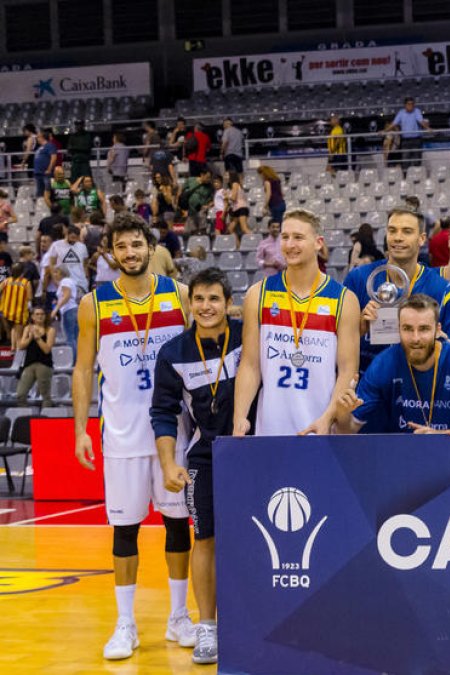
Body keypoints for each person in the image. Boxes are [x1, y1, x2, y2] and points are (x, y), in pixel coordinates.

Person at [71, 213, 195, 660]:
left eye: (137, 244)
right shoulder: (95, 304)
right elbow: (83, 369)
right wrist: (81, 429)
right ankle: (125, 623)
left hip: (174, 434)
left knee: (178, 524)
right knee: (124, 530)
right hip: (121, 434)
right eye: (121, 246)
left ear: (150, 246)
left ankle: (179, 616)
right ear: (110, 252)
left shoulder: (179, 296)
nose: (130, 253)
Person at [149, 267, 241, 665]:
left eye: (214, 299)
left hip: (252, 452)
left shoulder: (245, 338)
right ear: (190, 304)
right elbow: (163, 413)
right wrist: (168, 463)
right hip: (205, 455)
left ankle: (249, 620)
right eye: (199, 299)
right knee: (204, 538)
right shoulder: (173, 353)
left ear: (227, 303)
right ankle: (207, 626)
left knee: (255, 537)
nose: (206, 307)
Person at [232, 208, 360, 437]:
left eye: (299, 237)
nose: (290, 244)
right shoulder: (258, 294)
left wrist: (327, 417)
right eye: (285, 237)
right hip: (270, 429)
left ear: (318, 243)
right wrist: (239, 417)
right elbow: (250, 365)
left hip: (320, 427)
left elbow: (347, 371)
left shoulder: (344, 299)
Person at [334, 293, 450, 434]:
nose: (415, 338)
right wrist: (343, 414)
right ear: (398, 330)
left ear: (438, 331)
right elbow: (348, 429)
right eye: (407, 329)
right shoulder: (383, 365)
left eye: (424, 329)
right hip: (398, 454)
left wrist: (439, 436)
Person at [344, 207, 450, 373]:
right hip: (367, 386)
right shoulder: (358, 279)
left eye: (407, 231)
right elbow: (337, 343)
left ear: (421, 239)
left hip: (419, 389)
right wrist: (359, 329)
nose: (398, 238)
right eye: (392, 231)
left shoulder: (443, 289)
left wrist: (437, 342)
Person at [15, 305, 55, 407]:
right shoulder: (28, 328)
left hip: (44, 364)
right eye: (37, 314)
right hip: (29, 364)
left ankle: (46, 417)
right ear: (32, 317)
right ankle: (24, 416)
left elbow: (47, 350)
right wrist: (30, 337)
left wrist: (37, 338)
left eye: (42, 314)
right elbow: (21, 346)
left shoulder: (50, 330)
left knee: (45, 395)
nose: (40, 316)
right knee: (21, 393)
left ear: (45, 316)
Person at [384, 97, 431, 170]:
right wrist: (384, 131)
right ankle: (406, 177)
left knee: (417, 160)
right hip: (405, 140)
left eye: (412, 104)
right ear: (405, 105)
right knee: (405, 160)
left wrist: (427, 128)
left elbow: (421, 121)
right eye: (409, 104)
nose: (411, 106)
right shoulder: (401, 112)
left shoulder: (417, 111)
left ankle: (417, 176)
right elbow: (394, 123)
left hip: (416, 140)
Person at [0, 263, 34, 349]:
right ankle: (18, 352)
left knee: (13, 330)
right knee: (19, 334)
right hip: (20, 312)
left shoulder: (6, 281)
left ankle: (13, 348)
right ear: (23, 272)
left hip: (6, 311)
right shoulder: (26, 283)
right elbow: (30, 298)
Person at [49, 266, 80, 362]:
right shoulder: (70, 281)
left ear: (62, 273)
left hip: (68, 310)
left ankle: (72, 361)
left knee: (69, 338)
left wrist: (56, 309)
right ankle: (77, 360)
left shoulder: (65, 281)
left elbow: (67, 296)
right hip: (74, 309)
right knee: (75, 337)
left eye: (56, 272)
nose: (54, 274)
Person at [46, 224, 88, 292]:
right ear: (66, 234)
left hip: (81, 283)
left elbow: (85, 264)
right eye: (72, 237)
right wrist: (55, 280)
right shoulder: (56, 245)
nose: (73, 241)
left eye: (75, 238)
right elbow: (51, 264)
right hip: (64, 283)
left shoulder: (82, 247)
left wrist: (86, 277)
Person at [224, 172, 251, 245]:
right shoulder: (230, 187)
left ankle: (256, 242)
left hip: (241, 208)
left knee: (244, 228)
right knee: (230, 229)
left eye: (227, 175)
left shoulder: (235, 184)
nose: (225, 177)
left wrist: (227, 196)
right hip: (236, 209)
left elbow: (233, 198)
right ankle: (238, 246)